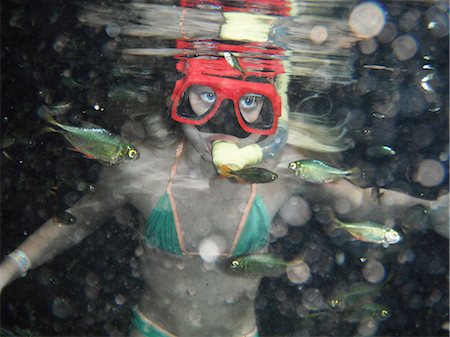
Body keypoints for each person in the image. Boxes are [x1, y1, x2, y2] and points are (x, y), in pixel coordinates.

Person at [1, 1, 448, 336]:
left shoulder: (288, 167)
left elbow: (360, 202)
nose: (225, 126)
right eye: (205, 97)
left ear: (275, 109)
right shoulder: (142, 167)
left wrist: (429, 210)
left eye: (250, 102)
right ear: (178, 97)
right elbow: (76, 219)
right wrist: (10, 268)